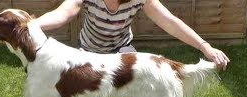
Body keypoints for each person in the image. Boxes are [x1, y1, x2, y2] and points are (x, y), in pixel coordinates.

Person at [34, 0, 229, 70]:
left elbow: (170, 22)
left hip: (121, 51)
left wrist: (205, 47)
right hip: (88, 52)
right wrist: (33, 26)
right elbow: (64, 12)